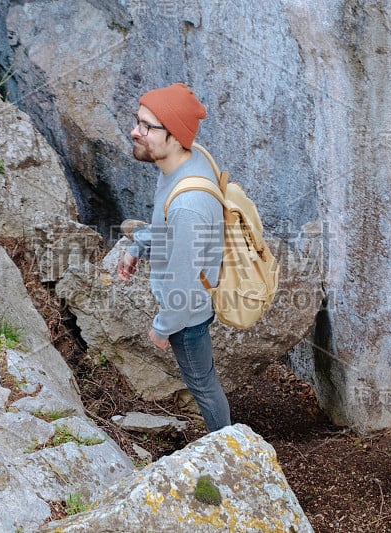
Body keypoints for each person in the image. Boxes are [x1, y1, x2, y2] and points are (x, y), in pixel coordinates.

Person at [116, 82, 231, 433]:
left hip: (189, 314)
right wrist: (138, 247)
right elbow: (165, 226)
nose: (135, 131)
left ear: (175, 135)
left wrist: (164, 327)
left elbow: (184, 283)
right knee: (203, 380)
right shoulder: (183, 160)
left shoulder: (189, 205)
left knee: (202, 384)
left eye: (147, 127)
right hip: (187, 300)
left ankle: (227, 447)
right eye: (138, 121)